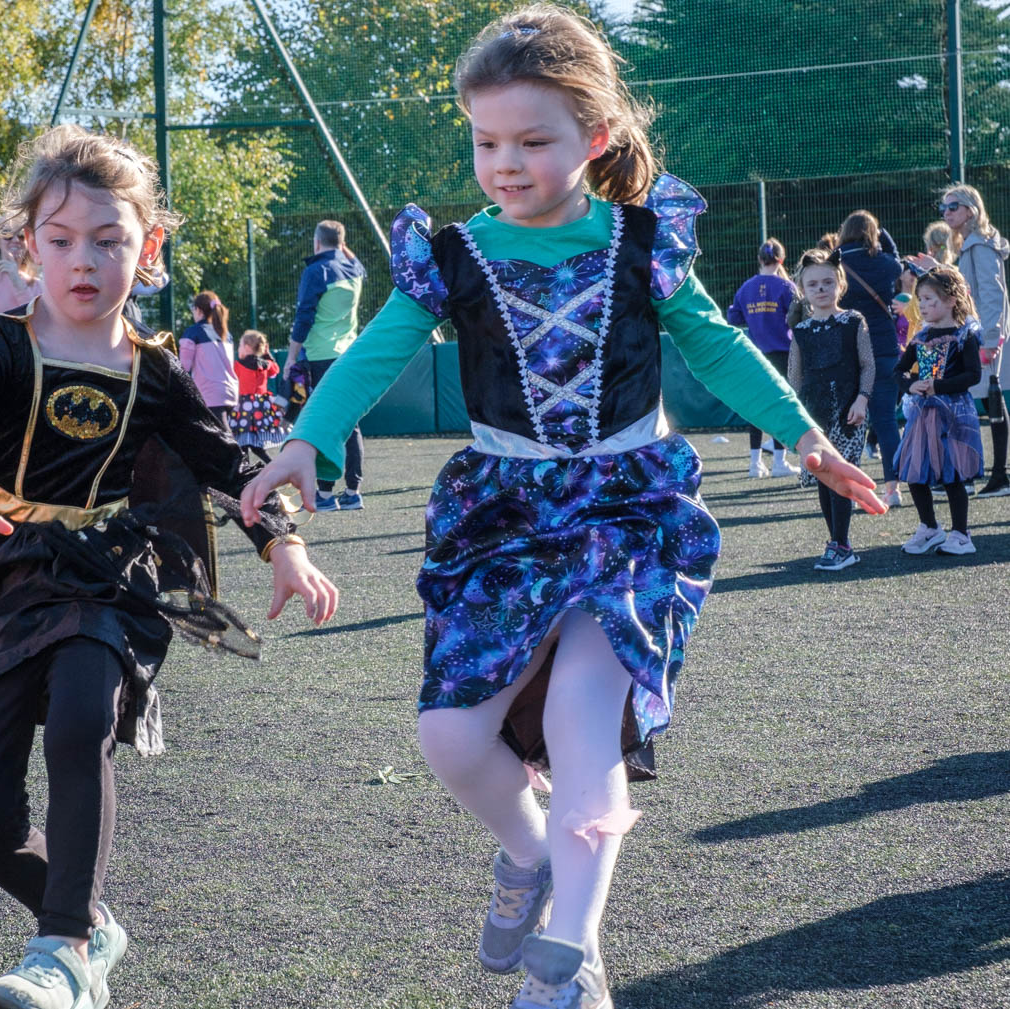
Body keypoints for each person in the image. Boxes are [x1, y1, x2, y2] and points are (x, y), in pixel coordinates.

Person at [240, 9, 883, 1007]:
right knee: (451, 737)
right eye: (486, 140)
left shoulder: (642, 241)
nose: (503, 161)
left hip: (630, 506)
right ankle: (528, 854)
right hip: (501, 511)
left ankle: (571, 957)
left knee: (589, 720)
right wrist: (301, 440)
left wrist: (808, 437)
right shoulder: (449, 255)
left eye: (531, 141)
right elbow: (374, 352)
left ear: (593, 138)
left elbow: (713, 345)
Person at [0, 125, 339, 1009]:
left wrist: (284, 540)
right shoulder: (2, 345)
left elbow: (229, 465)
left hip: (102, 570)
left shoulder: (157, 371)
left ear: (149, 246)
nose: (83, 261)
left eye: (108, 239)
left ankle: (58, 950)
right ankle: (90, 926)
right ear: (26, 248)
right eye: (59, 241)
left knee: (84, 712)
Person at [910, 184, 1010, 497]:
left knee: (982, 401)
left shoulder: (979, 245)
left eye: (952, 207)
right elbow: (967, 284)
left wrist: (990, 340)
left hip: (983, 336)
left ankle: (984, 476)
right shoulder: (974, 244)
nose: (946, 213)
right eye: (944, 208)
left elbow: (992, 294)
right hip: (979, 334)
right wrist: (939, 269)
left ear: (970, 209)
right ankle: (984, 475)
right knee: (986, 402)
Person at [787, 248, 875, 571]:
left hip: (849, 413)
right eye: (813, 285)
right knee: (824, 478)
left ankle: (841, 544)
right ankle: (837, 542)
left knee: (841, 475)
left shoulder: (854, 322)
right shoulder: (801, 332)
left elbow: (867, 365)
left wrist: (863, 398)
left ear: (839, 284)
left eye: (827, 282)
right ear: (803, 289)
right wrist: (793, 418)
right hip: (815, 416)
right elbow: (794, 378)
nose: (821, 289)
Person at [895, 266, 984, 555]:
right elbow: (898, 371)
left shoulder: (964, 335)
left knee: (952, 474)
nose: (922, 306)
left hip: (954, 415)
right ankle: (929, 527)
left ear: (951, 300)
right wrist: (911, 385)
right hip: (922, 417)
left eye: (930, 299)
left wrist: (938, 386)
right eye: (920, 299)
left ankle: (961, 534)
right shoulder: (921, 337)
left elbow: (973, 375)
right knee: (914, 473)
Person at [287, 220, 367, 511]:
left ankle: (323, 494)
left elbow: (304, 317)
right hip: (350, 354)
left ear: (317, 242)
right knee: (350, 423)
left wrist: (291, 357)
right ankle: (353, 491)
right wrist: (341, 246)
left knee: (322, 422)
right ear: (342, 243)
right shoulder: (354, 268)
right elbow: (350, 256)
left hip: (322, 356)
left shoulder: (316, 271)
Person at [836, 210, 903, 507]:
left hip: (850, 350)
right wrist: (884, 234)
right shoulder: (885, 263)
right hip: (885, 347)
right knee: (887, 422)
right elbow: (898, 262)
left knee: (848, 423)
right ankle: (894, 489)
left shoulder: (837, 263)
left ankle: (850, 491)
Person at [726, 238, 800, 477]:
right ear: (782, 260)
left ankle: (755, 463)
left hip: (756, 355)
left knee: (756, 407)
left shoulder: (746, 288)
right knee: (781, 405)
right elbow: (799, 318)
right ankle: (779, 462)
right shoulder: (787, 287)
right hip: (783, 355)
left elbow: (733, 319)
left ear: (760, 259)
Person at [178, 290, 239, 428]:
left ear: (198, 310)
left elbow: (183, 367)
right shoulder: (225, 333)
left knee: (223, 435)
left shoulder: (193, 332)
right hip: (230, 391)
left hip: (210, 394)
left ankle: (235, 451)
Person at [230, 329, 284, 464]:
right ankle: (271, 465)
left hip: (243, 409)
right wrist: (267, 353)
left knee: (243, 444)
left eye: (241, 345)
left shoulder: (237, 366)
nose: (239, 348)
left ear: (247, 348)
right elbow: (275, 371)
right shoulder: (266, 365)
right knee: (254, 445)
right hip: (260, 408)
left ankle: (247, 470)